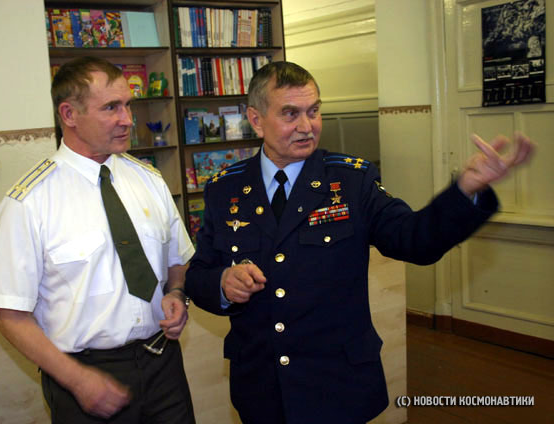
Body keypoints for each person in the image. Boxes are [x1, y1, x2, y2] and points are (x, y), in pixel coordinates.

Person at [184, 61, 534, 424]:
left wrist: (464, 191)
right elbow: (198, 274)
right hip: (262, 387)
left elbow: (415, 239)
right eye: (290, 114)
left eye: (313, 111)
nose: (306, 126)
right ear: (256, 120)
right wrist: (223, 283)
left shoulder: (352, 180)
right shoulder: (225, 188)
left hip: (337, 385)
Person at [0, 56, 195, 424]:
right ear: (69, 114)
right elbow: (11, 316)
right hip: (82, 375)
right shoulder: (29, 202)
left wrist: (176, 294)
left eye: (128, 105)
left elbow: (176, 259)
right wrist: (77, 380)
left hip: (162, 364)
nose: (127, 119)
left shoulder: (149, 180)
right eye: (111, 107)